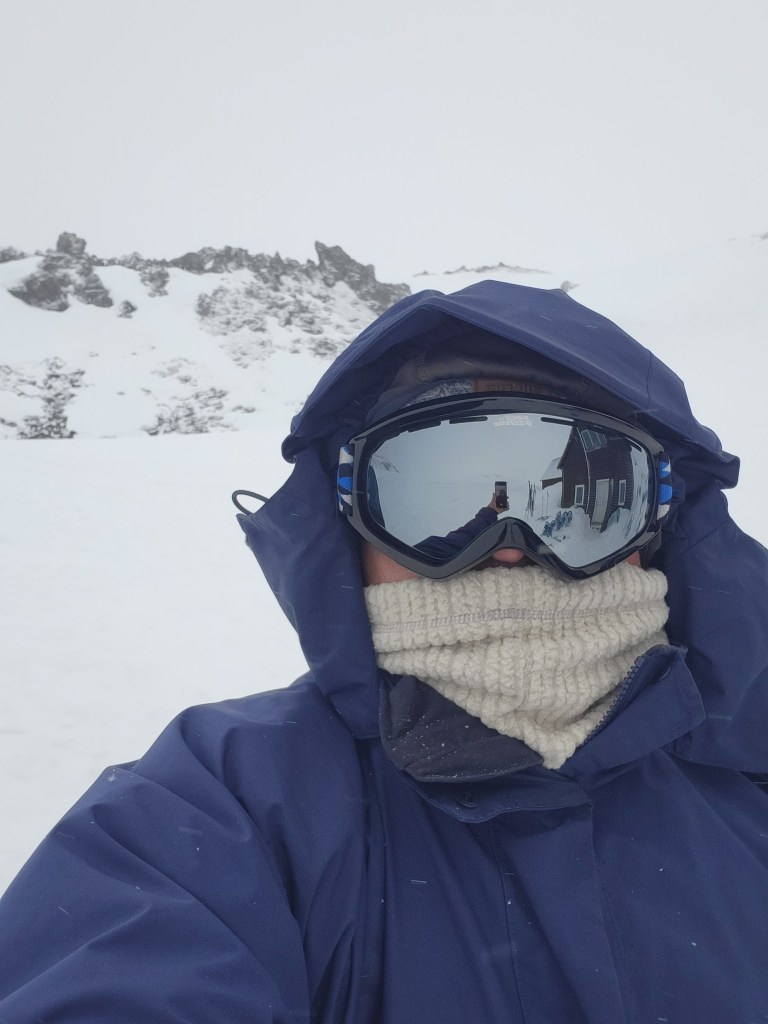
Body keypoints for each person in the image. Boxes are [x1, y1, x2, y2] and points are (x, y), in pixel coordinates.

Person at [1, 280, 767, 1022]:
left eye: (570, 504)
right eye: (439, 504)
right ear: (347, 526)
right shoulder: (222, 807)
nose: (508, 549)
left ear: (656, 527)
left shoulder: (752, 779)